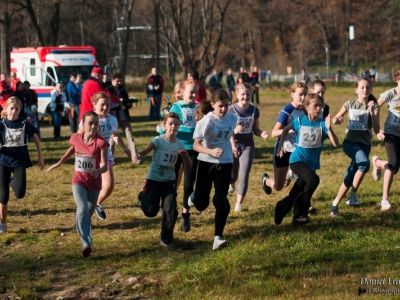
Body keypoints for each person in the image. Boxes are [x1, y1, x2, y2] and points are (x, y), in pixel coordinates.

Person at [47, 111, 108, 256]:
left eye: (96, 124)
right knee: (82, 209)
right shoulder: (75, 138)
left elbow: (105, 165)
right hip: (78, 181)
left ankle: (81, 227)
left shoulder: (101, 143)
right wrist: (59, 162)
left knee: (87, 213)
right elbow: (72, 149)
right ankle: (86, 243)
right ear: (83, 124)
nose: (93, 126)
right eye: (90, 123)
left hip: (94, 183)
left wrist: (99, 171)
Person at [275, 93, 339, 225]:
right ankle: (300, 212)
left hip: (311, 164)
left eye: (321, 106)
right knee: (313, 180)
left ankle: (283, 207)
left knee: (298, 190)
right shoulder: (299, 121)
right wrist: (281, 145)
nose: (319, 108)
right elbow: (285, 129)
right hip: (297, 160)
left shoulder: (322, 125)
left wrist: (330, 128)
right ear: (307, 107)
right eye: (315, 105)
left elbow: (336, 143)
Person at [188, 89, 238, 250]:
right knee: (202, 204)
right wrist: (211, 151)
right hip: (206, 162)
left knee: (220, 199)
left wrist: (233, 145)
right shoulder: (206, 121)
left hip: (225, 162)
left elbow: (229, 134)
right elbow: (196, 145)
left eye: (226, 106)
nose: (223, 109)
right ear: (212, 105)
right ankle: (195, 195)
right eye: (220, 106)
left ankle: (218, 237)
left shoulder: (232, 118)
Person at [135, 112, 191, 247]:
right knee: (150, 212)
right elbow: (146, 150)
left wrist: (185, 157)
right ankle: (143, 196)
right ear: (164, 126)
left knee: (171, 210)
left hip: (169, 181)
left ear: (179, 127)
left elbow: (189, 165)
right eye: (170, 124)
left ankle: (166, 239)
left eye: (176, 124)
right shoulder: (158, 140)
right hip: (154, 179)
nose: (173, 126)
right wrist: (140, 154)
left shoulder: (179, 144)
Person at [330, 77, 380, 216]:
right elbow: (335, 119)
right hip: (350, 143)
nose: (365, 90)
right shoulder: (350, 104)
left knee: (351, 173)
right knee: (364, 163)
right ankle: (352, 195)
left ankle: (335, 203)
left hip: (365, 145)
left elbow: (376, 130)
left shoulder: (374, 106)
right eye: (362, 87)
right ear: (356, 90)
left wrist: (371, 111)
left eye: (368, 87)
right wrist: (337, 120)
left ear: (371, 90)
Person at [0, 97, 44, 234]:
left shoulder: (24, 123)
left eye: (17, 109)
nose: (14, 111)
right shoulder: (1, 124)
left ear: (20, 110)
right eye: (11, 108)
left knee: (20, 194)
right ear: (6, 109)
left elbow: (35, 136)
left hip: (19, 161)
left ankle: (13, 181)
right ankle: (3, 223)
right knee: (3, 196)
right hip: (4, 161)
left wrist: (40, 156)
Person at [88, 92, 131, 220]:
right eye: (102, 105)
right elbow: (79, 136)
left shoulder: (112, 120)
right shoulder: (89, 118)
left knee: (108, 186)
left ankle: (97, 203)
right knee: (88, 187)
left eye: (108, 105)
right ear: (94, 105)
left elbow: (115, 135)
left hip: (106, 156)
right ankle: (85, 215)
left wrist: (125, 149)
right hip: (90, 156)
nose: (105, 108)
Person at [163, 79, 198, 232]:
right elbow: (169, 126)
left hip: (193, 150)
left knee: (189, 184)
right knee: (173, 180)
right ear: (183, 92)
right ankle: (169, 207)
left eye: (196, 92)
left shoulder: (198, 108)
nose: (194, 94)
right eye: (191, 92)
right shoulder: (176, 108)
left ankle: (185, 215)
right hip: (176, 149)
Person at [228, 83, 269, 212]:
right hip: (233, 145)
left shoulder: (254, 110)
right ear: (237, 95)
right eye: (243, 94)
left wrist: (261, 133)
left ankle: (239, 204)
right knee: (233, 176)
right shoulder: (230, 110)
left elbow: (255, 128)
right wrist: (235, 130)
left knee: (244, 174)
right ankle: (231, 182)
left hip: (248, 146)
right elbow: (226, 131)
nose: (245, 97)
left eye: (248, 94)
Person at [261, 82, 308, 194]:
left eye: (305, 94)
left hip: (298, 151)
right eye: (300, 94)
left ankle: (303, 203)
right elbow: (274, 133)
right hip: (283, 150)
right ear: (292, 94)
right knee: (278, 186)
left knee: (303, 179)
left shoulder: (305, 110)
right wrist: (290, 130)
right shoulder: (287, 110)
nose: (303, 97)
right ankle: (266, 181)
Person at [370, 70, 400, 211]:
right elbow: (375, 106)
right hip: (391, 132)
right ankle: (384, 200)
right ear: (397, 79)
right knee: (393, 164)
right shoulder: (390, 93)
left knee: (394, 168)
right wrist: (377, 128)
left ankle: (377, 162)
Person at [106, 73, 139, 162]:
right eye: (117, 81)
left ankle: (135, 157)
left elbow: (126, 101)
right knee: (112, 139)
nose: (119, 82)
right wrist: (117, 104)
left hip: (124, 117)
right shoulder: (108, 90)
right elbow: (108, 104)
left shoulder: (122, 90)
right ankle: (111, 159)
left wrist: (128, 104)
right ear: (112, 80)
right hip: (114, 117)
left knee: (130, 137)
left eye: (120, 81)